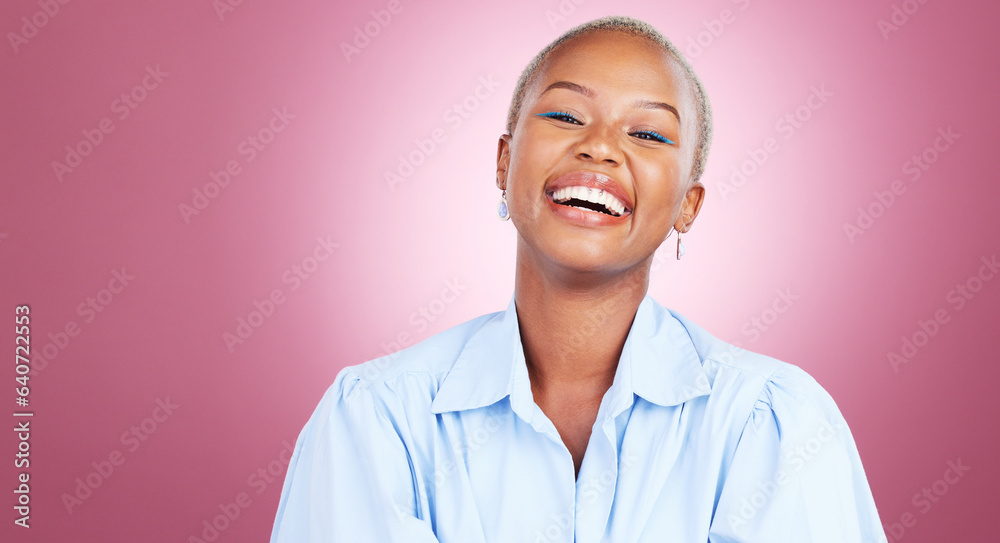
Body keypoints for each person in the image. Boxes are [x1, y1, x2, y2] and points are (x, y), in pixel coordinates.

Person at [270, 15, 887, 542]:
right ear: (505, 162)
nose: (600, 148)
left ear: (688, 207)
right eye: (566, 115)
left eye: (647, 133)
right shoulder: (377, 421)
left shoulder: (772, 423)